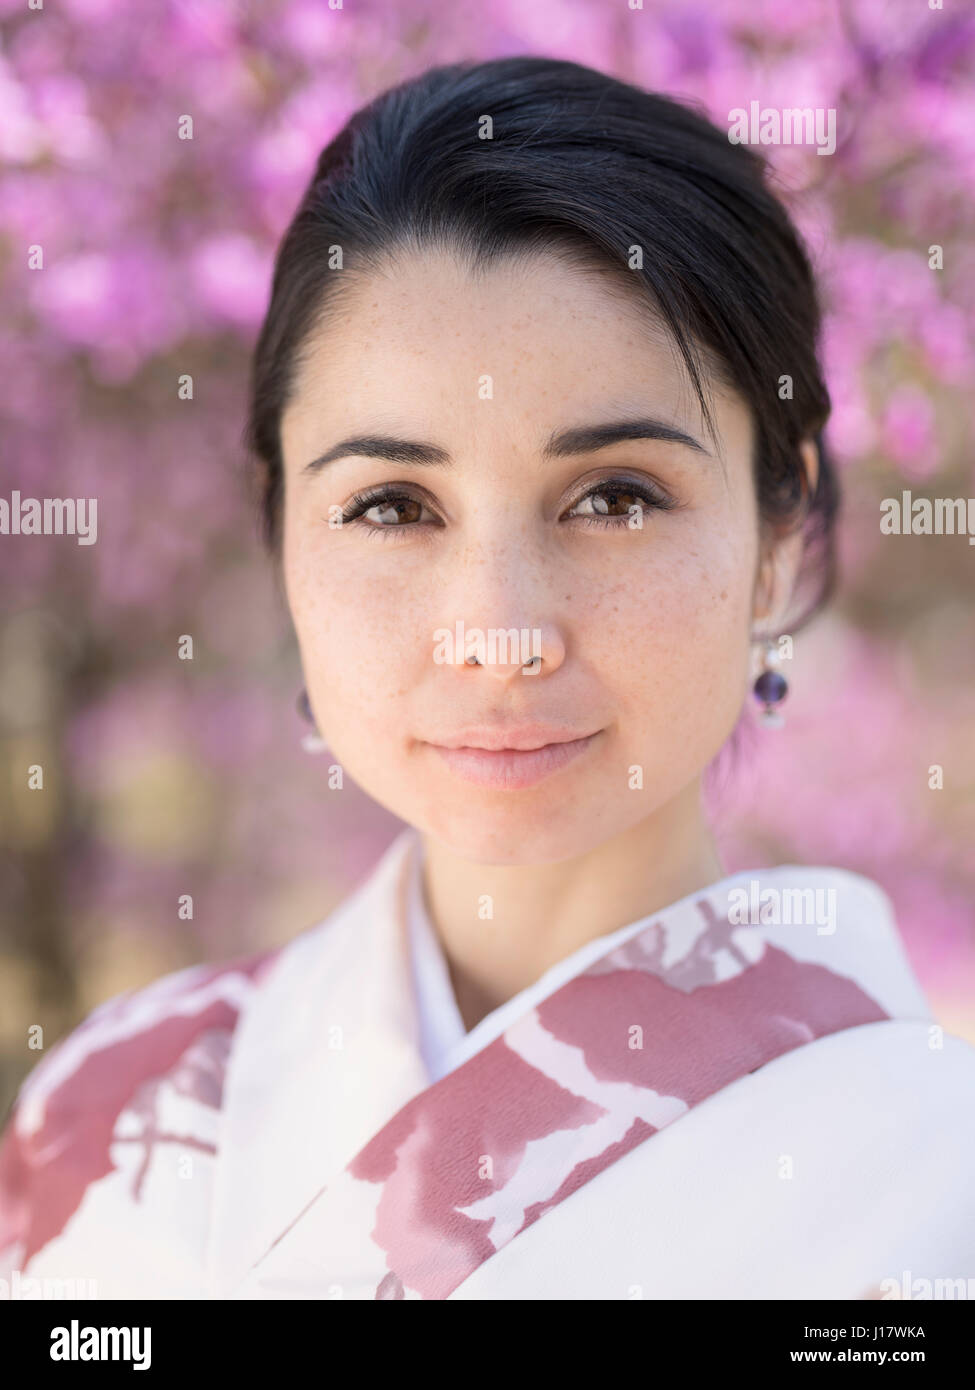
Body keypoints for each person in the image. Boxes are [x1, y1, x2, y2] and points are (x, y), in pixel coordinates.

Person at [2, 55, 973, 1302]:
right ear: (280, 526)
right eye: (392, 505)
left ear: (778, 536)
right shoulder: (102, 1116)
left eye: (615, 498)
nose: (501, 635)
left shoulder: (932, 1177)